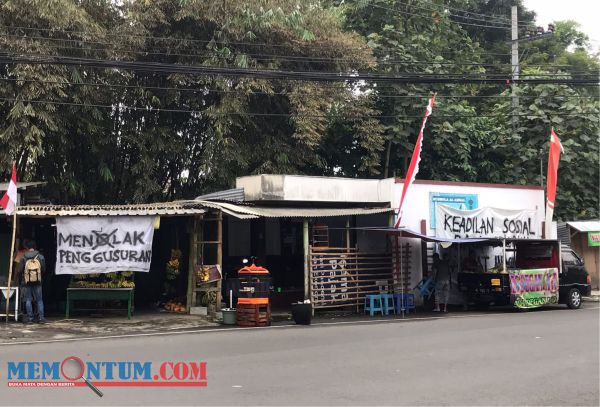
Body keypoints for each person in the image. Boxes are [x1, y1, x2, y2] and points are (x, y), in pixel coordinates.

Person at [15, 239, 46, 324]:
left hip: (26, 281)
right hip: (38, 281)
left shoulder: (23, 257)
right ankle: (41, 318)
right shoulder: (40, 256)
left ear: (27, 247)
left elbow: (19, 270)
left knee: (28, 299)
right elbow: (43, 269)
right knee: (39, 299)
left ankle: (30, 319)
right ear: (35, 247)